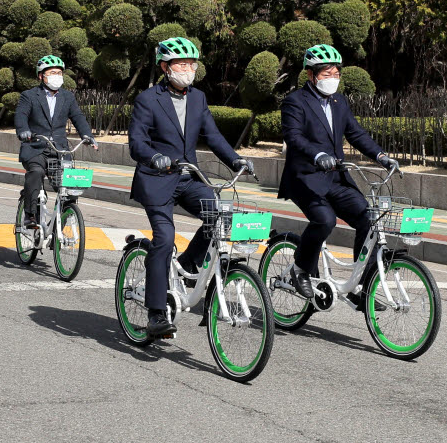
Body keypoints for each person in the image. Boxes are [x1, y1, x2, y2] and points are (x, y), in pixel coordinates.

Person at [128, 37, 253, 337]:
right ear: (165, 66)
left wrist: (236, 160)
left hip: (189, 178)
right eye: (181, 64)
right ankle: (157, 312)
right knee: (165, 238)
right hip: (157, 181)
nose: (188, 70)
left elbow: (213, 136)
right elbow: (136, 142)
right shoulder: (148, 99)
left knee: (221, 215)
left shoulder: (198, 98)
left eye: (191, 64)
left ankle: (188, 263)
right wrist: (154, 157)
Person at [279, 44, 398, 305]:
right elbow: (294, 136)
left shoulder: (339, 101)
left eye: (336, 72)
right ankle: (299, 270)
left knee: (368, 221)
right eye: (325, 73)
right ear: (310, 75)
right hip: (306, 178)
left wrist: (380, 156)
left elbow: (355, 132)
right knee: (325, 220)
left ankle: (360, 286)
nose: (332, 78)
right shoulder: (295, 101)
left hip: (336, 177)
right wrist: (317, 155)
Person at [15, 55, 97, 229]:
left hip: (60, 150)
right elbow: (21, 116)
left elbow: (78, 117)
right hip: (35, 147)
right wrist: (23, 131)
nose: (57, 76)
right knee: (36, 172)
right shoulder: (29, 96)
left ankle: (59, 224)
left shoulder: (67, 97)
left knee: (69, 187)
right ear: (41, 76)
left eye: (59, 73)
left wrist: (87, 136)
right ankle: (30, 215)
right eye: (52, 72)